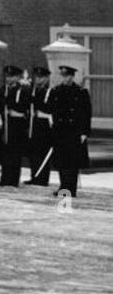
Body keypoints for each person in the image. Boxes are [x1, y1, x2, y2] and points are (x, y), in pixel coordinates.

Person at [49, 64, 92, 197]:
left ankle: (70, 189)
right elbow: (52, 110)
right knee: (61, 161)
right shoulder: (56, 91)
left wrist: (85, 132)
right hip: (60, 131)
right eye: (63, 76)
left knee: (72, 162)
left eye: (68, 76)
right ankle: (63, 186)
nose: (65, 78)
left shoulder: (81, 92)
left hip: (74, 132)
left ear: (72, 76)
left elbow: (87, 114)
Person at [0, 65, 29, 187]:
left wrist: (11, 108)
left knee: (15, 153)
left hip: (17, 125)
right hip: (5, 123)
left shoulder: (22, 91)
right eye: (7, 76)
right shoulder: (2, 90)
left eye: (12, 76)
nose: (9, 79)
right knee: (4, 152)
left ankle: (13, 179)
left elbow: (23, 107)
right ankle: (5, 177)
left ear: (17, 77)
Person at [27, 66, 55, 186]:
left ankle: (42, 178)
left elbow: (48, 107)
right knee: (33, 152)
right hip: (33, 124)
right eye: (37, 77)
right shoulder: (32, 91)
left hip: (44, 126)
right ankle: (34, 175)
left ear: (47, 78)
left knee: (43, 152)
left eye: (41, 78)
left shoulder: (50, 92)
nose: (38, 80)